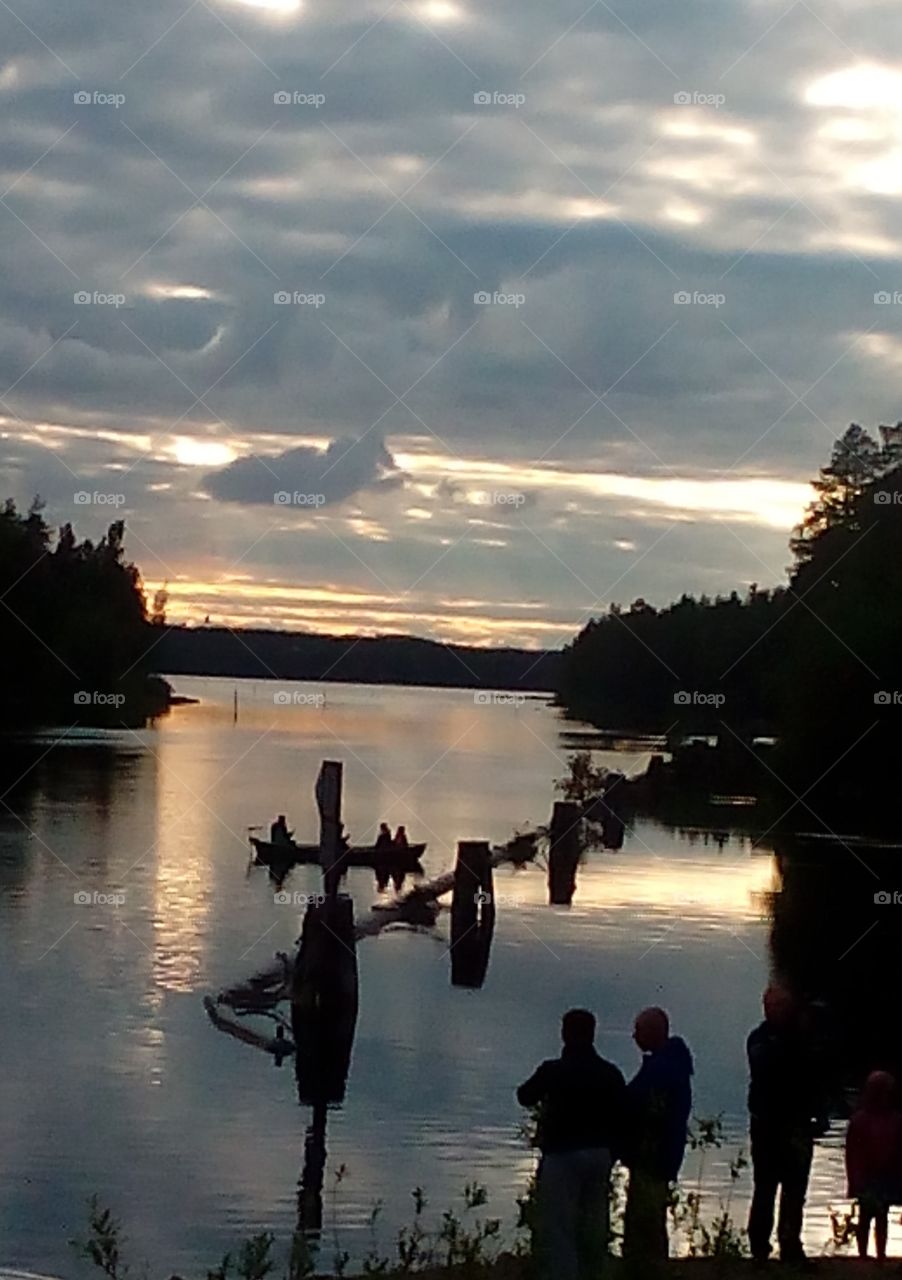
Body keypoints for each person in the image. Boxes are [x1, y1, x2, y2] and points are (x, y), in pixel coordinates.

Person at [517, 1009, 626, 1280]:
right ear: (592, 1034)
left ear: (565, 1034)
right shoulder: (610, 1073)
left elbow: (524, 1095)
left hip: (562, 1155)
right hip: (600, 1156)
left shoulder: (553, 1070)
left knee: (559, 1226)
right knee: (594, 1224)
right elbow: (622, 1116)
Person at [747, 984, 828, 1267]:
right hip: (768, 1127)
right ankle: (759, 1249)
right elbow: (769, 1067)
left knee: (795, 1190)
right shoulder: (759, 1040)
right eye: (774, 1006)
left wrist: (820, 1114)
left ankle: (791, 1246)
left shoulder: (805, 1038)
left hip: (797, 1126)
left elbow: (817, 1077)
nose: (778, 1011)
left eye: (783, 1006)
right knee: (765, 1189)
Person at [622, 1006, 693, 1270]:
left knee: (645, 1218)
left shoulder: (662, 1068)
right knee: (650, 1216)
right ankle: (650, 1265)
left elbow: (634, 1102)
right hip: (661, 1154)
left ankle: (646, 1267)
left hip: (653, 1155)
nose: (634, 1036)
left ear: (653, 1032)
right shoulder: (670, 1065)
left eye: (638, 1030)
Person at [846, 1070, 902, 1263]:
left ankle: (880, 1254)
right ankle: (862, 1254)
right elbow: (852, 1153)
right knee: (866, 1216)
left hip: (886, 1175)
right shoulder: (860, 1120)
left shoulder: (895, 1119)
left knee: (881, 1215)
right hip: (867, 1176)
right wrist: (855, 1180)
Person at [374, 822, 393, 892]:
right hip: (385, 850)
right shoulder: (387, 834)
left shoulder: (382, 836)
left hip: (383, 851)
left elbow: (377, 845)